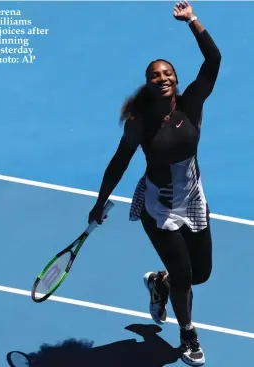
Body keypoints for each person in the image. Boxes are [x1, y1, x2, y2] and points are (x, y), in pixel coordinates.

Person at [88, 1, 221, 366]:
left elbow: (213, 61)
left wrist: (192, 21)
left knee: (201, 274)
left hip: (192, 200)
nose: (161, 78)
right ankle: (187, 334)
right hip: (158, 207)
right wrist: (99, 202)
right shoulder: (140, 123)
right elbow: (119, 162)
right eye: (154, 75)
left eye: (167, 73)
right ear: (148, 84)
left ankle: (158, 283)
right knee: (184, 276)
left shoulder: (191, 104)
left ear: (176, 80)